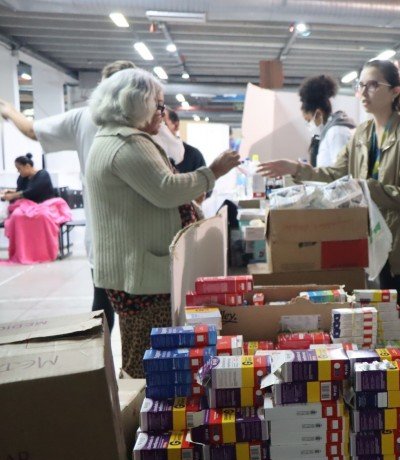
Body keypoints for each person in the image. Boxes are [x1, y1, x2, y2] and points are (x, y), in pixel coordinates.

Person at [259, 60, 400, 370]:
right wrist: (296, 169)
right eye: (361, 84)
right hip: (381, 242)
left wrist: (365, 187)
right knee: (388, 316)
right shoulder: (362, 134)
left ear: (395, 91)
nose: (363, 91)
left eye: (373, 85)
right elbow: (334, 173)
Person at [0, 60, 184, 332]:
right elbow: (177, 158)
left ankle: (96, 368)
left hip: (103, 236)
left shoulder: (83, 118)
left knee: (103, 304)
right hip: (144, 235)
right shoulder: (144, 121)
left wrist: (9, 110)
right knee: (143, 315)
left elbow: (30, 129)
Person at [86, 68, 240, 377]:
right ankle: (143, 414)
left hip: (136, 269)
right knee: (148, 357)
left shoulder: (117, 139)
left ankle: (144, 411)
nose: (163, 112)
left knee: (143, 348)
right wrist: (213, 172)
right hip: (141, 275)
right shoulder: (126, 144)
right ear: (136, 104)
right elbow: (167, 191)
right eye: (158, 105)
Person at [298, 75, 355, 167]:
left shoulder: (336, 132)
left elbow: (341, 173)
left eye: (308, 121)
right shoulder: (328, 133)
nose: (308, 125)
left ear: (319, 114)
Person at [164, 108, 207, 174]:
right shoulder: (150, 153)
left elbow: (204, 182)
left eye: (163, 125)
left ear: (176, 125)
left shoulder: (194, 156)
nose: (158, 129)